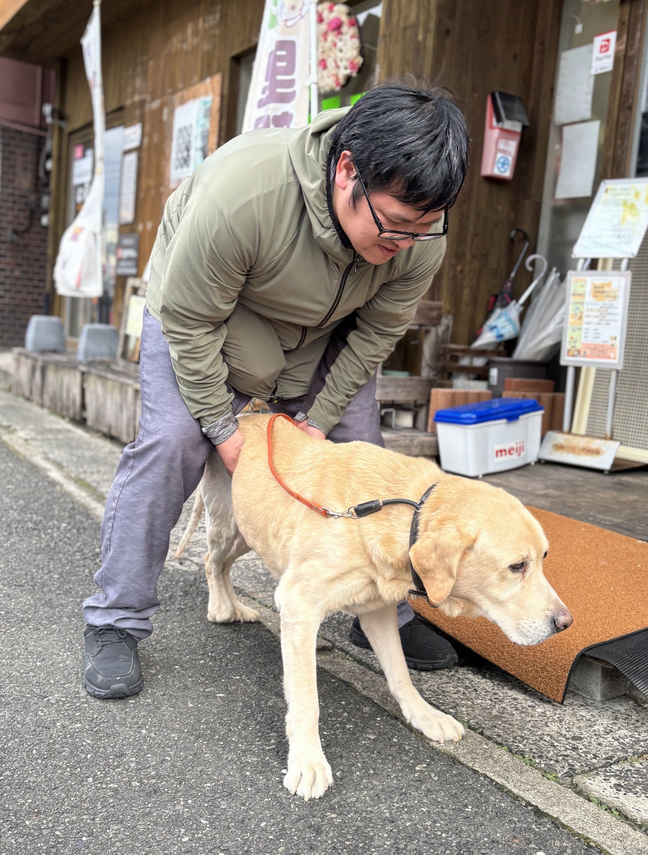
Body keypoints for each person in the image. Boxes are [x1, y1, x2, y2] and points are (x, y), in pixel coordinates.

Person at [82, 83, 470, 699]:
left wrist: (317, 421)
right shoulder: (245, 193)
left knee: (363, 450)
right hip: (204, 319)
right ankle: (115, 621)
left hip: (318, 340)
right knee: (172, 443)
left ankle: (382, 614)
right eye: (394, 225)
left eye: (421, 231)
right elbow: (187, 320)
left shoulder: (420, 236)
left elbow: (372, 339)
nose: (402, 245)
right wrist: (223, 431)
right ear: (347, 171)